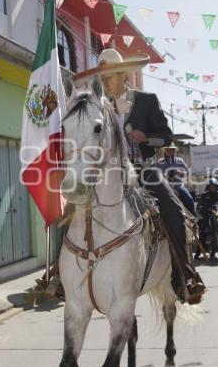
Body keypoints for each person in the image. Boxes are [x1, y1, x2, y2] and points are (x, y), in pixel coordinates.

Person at [73, 48, 205, 304]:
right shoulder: (96, 106)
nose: (104, 82)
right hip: (105, 172)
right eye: (100, 78)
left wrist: (147, 138)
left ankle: (183, 276)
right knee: (72, 205)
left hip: (143, 169)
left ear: (122, 75)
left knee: (174, 210)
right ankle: (61, 275)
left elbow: (166, 136)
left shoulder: (146, 101)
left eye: (108, 77)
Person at [158, 144, 196, 216]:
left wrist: (180, 172)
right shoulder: (160, 162)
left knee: (189, 199)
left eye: (172, 149)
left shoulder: (180, 161)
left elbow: (187, 172)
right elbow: (157, 174)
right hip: (165, 187)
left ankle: (193, 217)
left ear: (174, 151)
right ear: (165, 150)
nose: (170, 151)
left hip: (178, 186)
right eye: (168, 149)